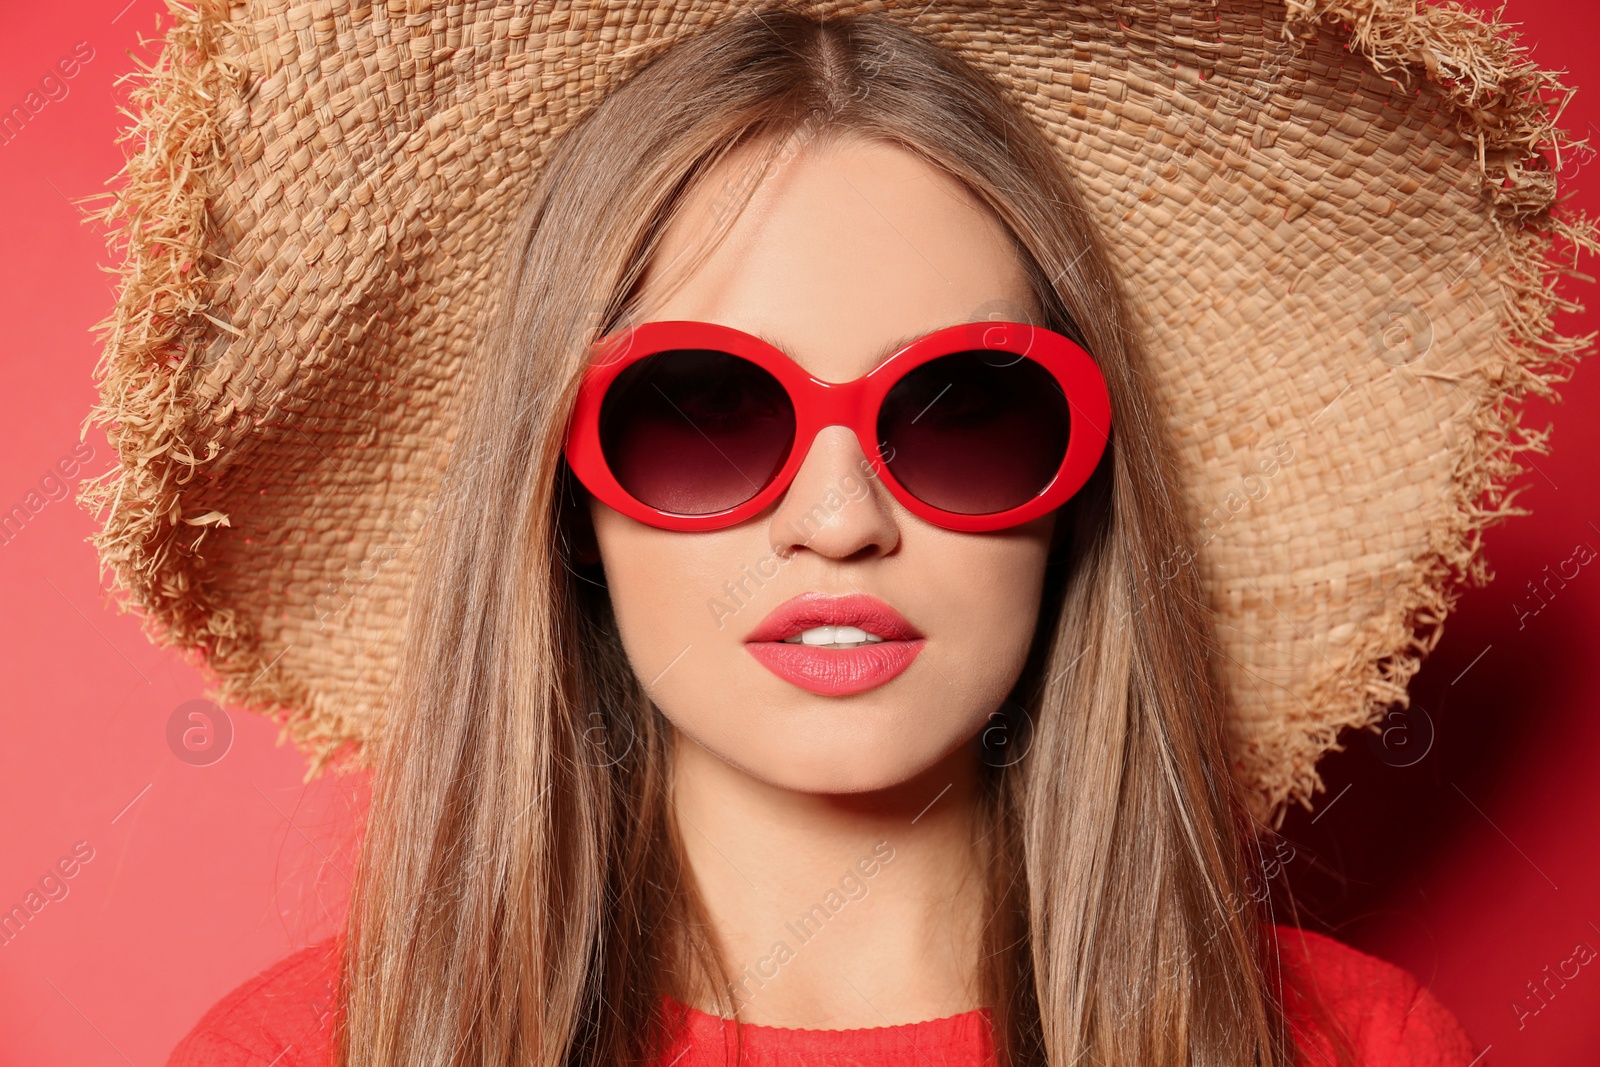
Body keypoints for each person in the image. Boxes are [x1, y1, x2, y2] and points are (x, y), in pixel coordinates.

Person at [82, 3, 1590, 1066]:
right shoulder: (291, 1058)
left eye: (965, 411)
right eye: (700, 411)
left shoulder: (1358, 1052)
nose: (840, 519)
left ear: (1078, 495)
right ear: (563, 500)